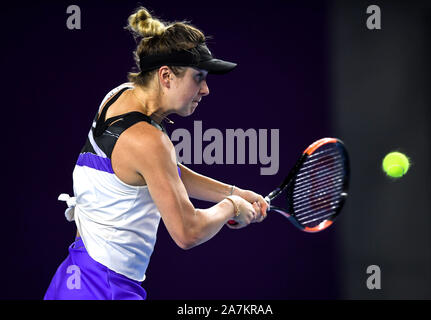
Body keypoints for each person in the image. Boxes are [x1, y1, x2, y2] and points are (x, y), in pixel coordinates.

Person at [44, 7, 268, 300]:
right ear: (166, 76)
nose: (206, 90)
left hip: (73, 280)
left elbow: (164, 172)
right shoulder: (150, 141)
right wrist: (231, 206)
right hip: (105, 290)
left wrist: (235, 191)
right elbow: (188, 232)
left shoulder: (119, 96)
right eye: (198, 77)